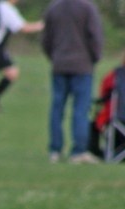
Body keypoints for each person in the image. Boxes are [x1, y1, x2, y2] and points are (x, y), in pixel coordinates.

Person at [42, 0, 104, 164]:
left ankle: (55, 150)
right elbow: (95, 36)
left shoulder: (53, 8)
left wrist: (54, 57)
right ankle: (79, 151)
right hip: (82, 66)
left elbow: (46, 39)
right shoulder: (87, 8)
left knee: (57, 108)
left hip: (59, 65)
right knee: (81, 109)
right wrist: (95, 58)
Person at [88, 51, 125, 158]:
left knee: (95, 120)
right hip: (119, 123)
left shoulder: (114, 76)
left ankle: (106, 153)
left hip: (118, 119)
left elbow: (104, 95)